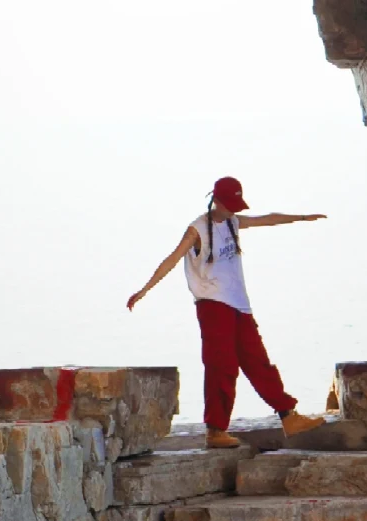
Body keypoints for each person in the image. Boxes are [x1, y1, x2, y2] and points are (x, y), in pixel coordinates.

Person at [126, 176, 328, 449]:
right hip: (212, 304)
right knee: (222, 365)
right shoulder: (197, 229)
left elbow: (266, 219)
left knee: (258, 360)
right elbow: (172, 259)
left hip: (239, 304)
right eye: (230, 203)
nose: (234, 210)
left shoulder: (233, 221)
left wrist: (302, 217)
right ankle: (215, 430)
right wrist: (144, 289)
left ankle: (288, 415)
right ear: (216, 200)